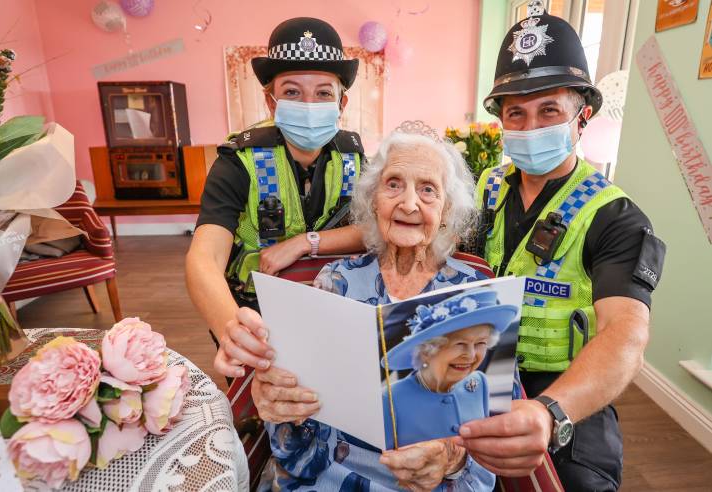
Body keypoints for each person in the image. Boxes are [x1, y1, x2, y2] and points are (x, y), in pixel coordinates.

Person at [456, 5, 667, 491]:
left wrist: (551, 412)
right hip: (476, 374)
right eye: (516, 113)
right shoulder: (487, 187)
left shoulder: (615, 217)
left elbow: (626, 332)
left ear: (582, 116)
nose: (531, 127)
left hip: (564, 392)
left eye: (549, 110)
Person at [231, 129, 496, 491]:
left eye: (428, 190)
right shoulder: (336, 280)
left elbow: (493, 437)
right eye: (394, 185)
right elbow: (295, 440)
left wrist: (452, 458)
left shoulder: (477, 295)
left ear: (446, 210)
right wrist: (282, 408)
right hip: (327, 475)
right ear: (374, 201)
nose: (408, 204)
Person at [185, 17, 366, 378]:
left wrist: (305, 242)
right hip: (255, 310)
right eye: (292, 92)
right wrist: (233, 330)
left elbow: (374, 230)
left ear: (341, 102)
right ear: (271, 102)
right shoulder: (239, 162)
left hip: (332, 305)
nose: (309, 104)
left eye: (323, 93)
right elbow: (204, 258)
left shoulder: (354, 158)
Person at [381, 288, 517, 453]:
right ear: (426, 351)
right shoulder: (389, 400)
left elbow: (487, 469)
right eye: (459, 344)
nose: (471, 355)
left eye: (481, 343)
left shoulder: (478, 383)